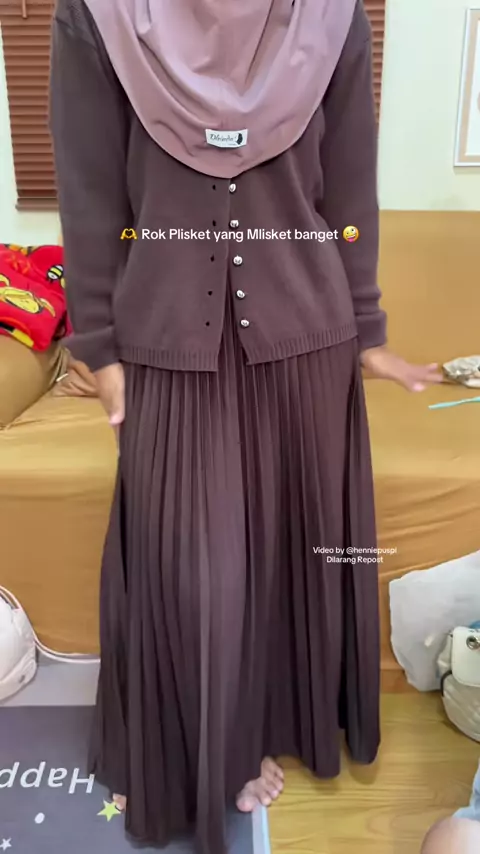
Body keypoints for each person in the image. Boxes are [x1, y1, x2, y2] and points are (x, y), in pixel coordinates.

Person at [49, 1, 443, 852]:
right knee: (194, 570)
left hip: (307, 335)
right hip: (165, 339)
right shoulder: (99, 13)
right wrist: (99, 343)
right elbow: (89, 189)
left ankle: (266, 729)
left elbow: (349, 186)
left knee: (295, 552)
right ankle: (200, 746)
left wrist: (368, 328)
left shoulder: (329, 15)